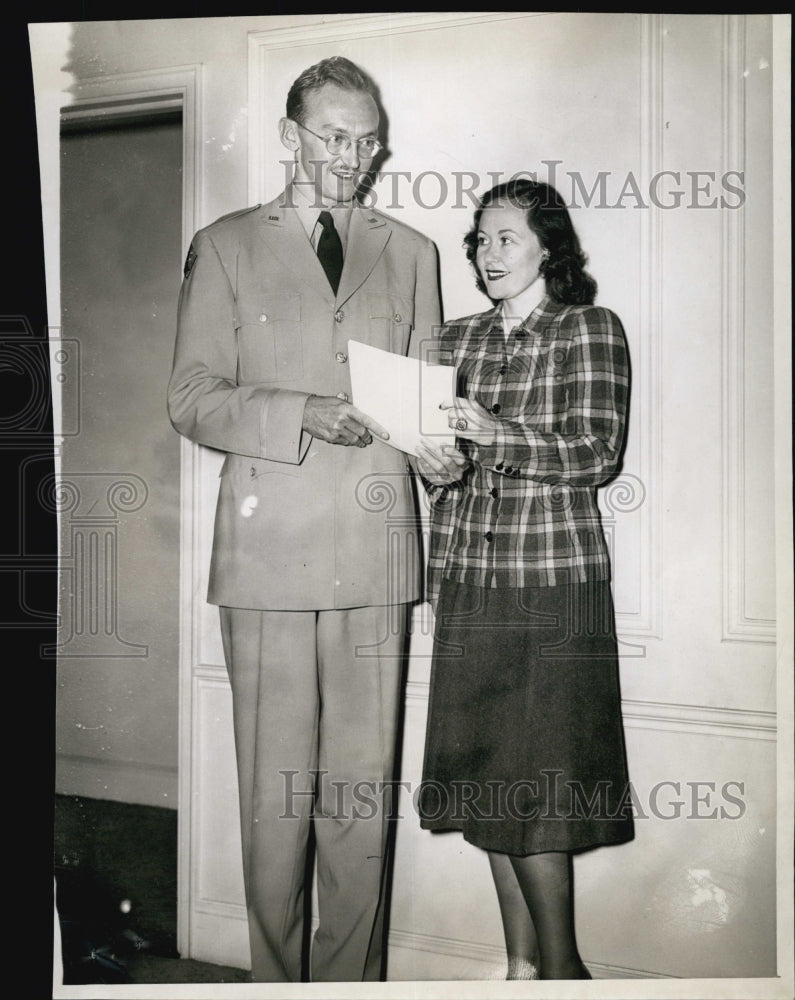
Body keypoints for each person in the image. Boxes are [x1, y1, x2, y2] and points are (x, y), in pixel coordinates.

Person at [167, 56, 441, 983]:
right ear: (290, 136)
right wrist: (296, 411)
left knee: (360, 804)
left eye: (368, 140)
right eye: (334, 136)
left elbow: (425, 409)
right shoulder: (227, 242)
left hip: (377, 550)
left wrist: (449, 448)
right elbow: (192, 397)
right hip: (267, 556)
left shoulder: (412, 251)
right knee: (275, 801)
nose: (353, 157)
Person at [414, 178, 635, 981]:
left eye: (505, 237)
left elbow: (595, 453)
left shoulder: (588, 329)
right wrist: (431, 462)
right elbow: (441, 467)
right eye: (479, 239)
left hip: (551, 586)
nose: (487, 253)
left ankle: (564, 971)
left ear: (549, 247)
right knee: (486, 789)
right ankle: (520, 973)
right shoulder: (450, 341)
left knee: (536, 796)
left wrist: (496, 434)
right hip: (468, 584)